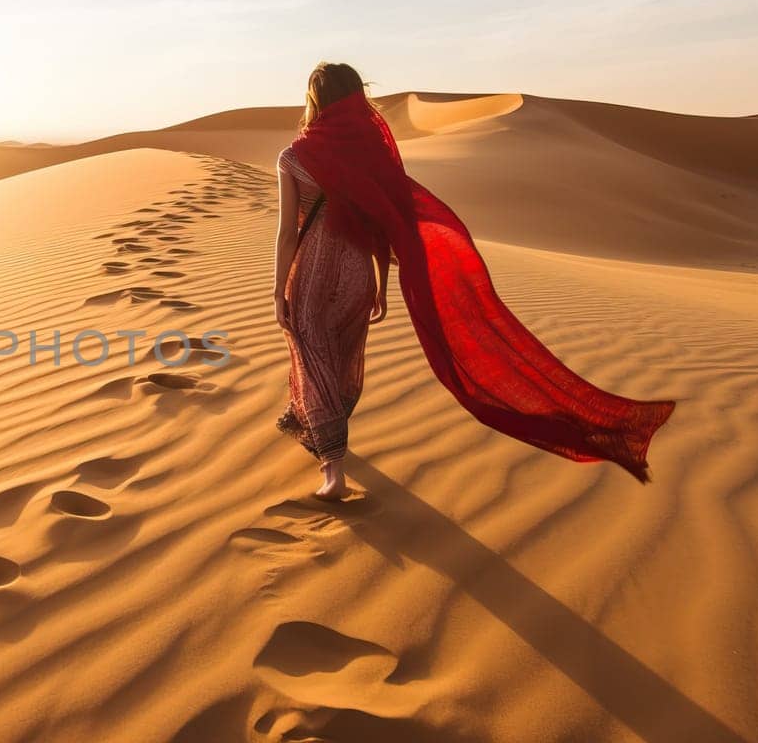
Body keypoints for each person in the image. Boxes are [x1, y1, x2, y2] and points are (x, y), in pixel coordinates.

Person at [272, 62, 674, 501]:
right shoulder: (369, 154)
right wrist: (381, 281)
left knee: (313, 358)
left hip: (309, 278)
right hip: (356, 279)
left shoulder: (293, 157)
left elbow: (288, 232)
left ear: (314, 100)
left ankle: (333, 467)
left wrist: (278, 291)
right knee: (340, 358)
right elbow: (383, 224)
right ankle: (325, 431)